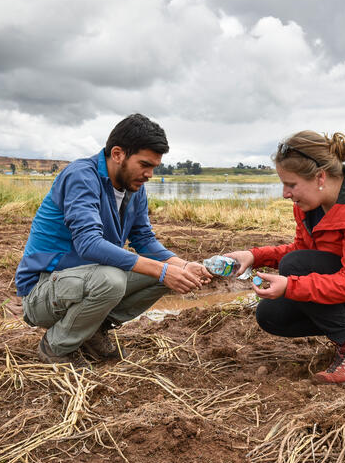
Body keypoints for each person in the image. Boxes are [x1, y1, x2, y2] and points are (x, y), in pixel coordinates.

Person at [226, 131, 345, 385]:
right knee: (271, 315)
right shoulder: (309, 206)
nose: (285, 193)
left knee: (293, 268)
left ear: (320, 177)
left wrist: (291, 285)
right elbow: (302, 251)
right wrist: (253, 256)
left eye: (291, 184)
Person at [15, 113, 212, 368]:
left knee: (172, 273)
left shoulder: (134, 188)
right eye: (144, 164)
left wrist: (181, 265)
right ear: (118, 153)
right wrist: (162, 270)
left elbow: (144, 240)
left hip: (83, 283)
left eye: (154, 167)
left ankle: (91, 330)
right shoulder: (81, 176)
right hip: (42, 291)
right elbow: (89, 243)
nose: (149, 174)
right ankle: (55, 345)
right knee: (113, 279)